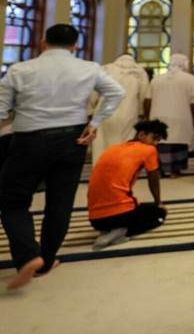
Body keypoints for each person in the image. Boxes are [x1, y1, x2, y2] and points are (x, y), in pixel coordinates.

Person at [0, 24, 125, 290]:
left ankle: (27, 256)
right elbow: (117, 92)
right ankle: (45, 260)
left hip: (29, 139)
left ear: (43, 42)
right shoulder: (89, 68)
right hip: (72, 139)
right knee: (60, 203)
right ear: (75, 45)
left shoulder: (20, 69)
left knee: (12, 201)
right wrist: (95, 123)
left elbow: (0, 109)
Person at [87, 119, 169, 250]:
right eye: (154, 138)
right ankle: (122, 231)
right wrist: (158, 202)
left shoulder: (113, 148)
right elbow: (153, 178)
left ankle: (108, 231)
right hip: (120, 216)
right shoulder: (148, 150)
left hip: (95, 220)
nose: (155, 144)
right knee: (159, 214)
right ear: (141, 135)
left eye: (157, 141)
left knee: (136, 207)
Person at [145, 54, 194, 178]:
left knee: (160, 143)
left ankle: (160, 170)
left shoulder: (156, 79)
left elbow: (147, 99)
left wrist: (147, 117)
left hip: (158, 116)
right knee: (178, 143)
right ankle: (175, 171)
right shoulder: (189, 79)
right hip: (181, 116)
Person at [90, 54, 150, 163]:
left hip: (105, 111)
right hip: (129, 112)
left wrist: (90, 110)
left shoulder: (105, 68)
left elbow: (93, 93)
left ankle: (100, 173)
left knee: (101, 146)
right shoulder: (140, 72)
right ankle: (121, 174)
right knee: (125, 145)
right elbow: (144, 96)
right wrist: (142, 113)